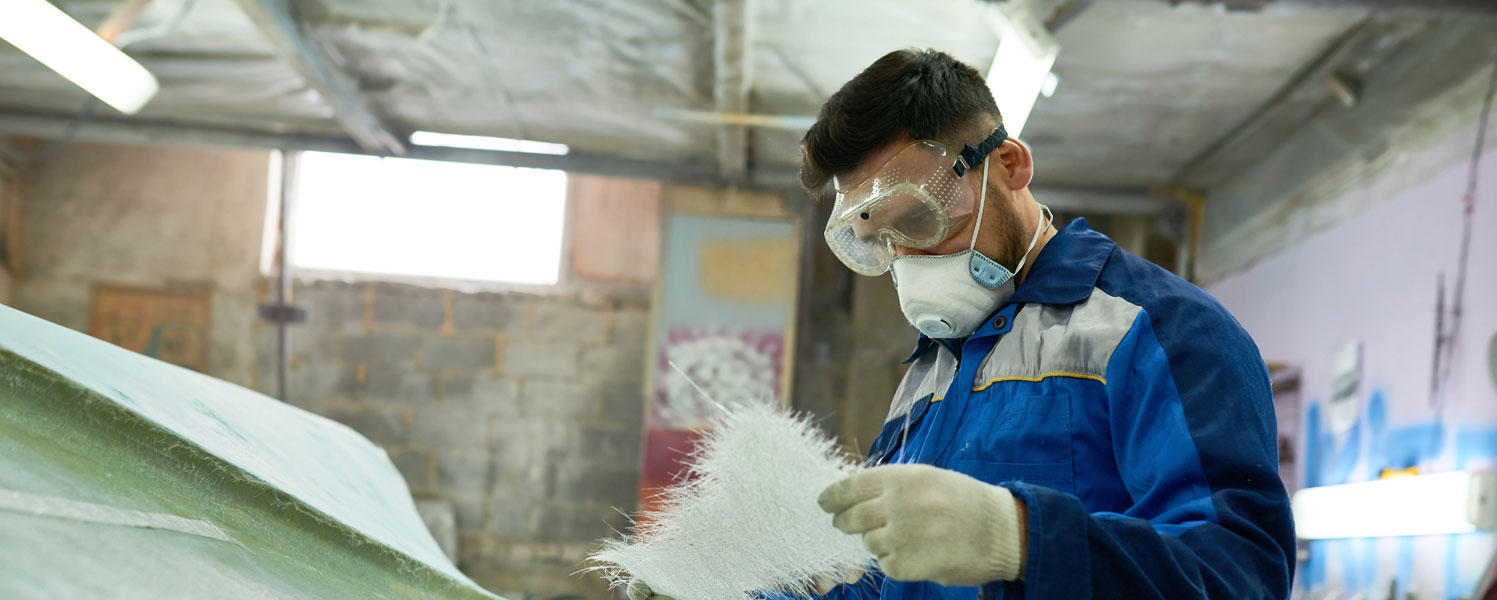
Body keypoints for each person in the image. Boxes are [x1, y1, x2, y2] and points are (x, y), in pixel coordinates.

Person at [631, 48, 1294, 600]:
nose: (907, 260)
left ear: (1008, 165)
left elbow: (1239, 574)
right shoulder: (933, 367)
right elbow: (884, 583)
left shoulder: (1157, 332)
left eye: (919, 219)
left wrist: (1020, 538)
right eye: (878, 241)